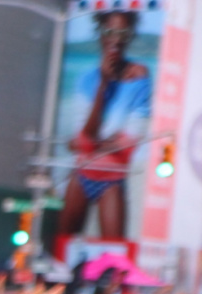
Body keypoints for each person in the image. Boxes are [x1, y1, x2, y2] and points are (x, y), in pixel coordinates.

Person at [57, 10, 152, 240]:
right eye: (110, 32)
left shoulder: (140, 77)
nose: (116, 39)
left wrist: (90, 144)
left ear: (130, 36)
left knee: (114, 255)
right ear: (101, 35)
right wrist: (103, 85)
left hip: (112, 179)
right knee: (63, 247)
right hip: (82, 175)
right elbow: (86, 138)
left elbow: (128, 145)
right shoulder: (87, 80)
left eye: (123, 32)